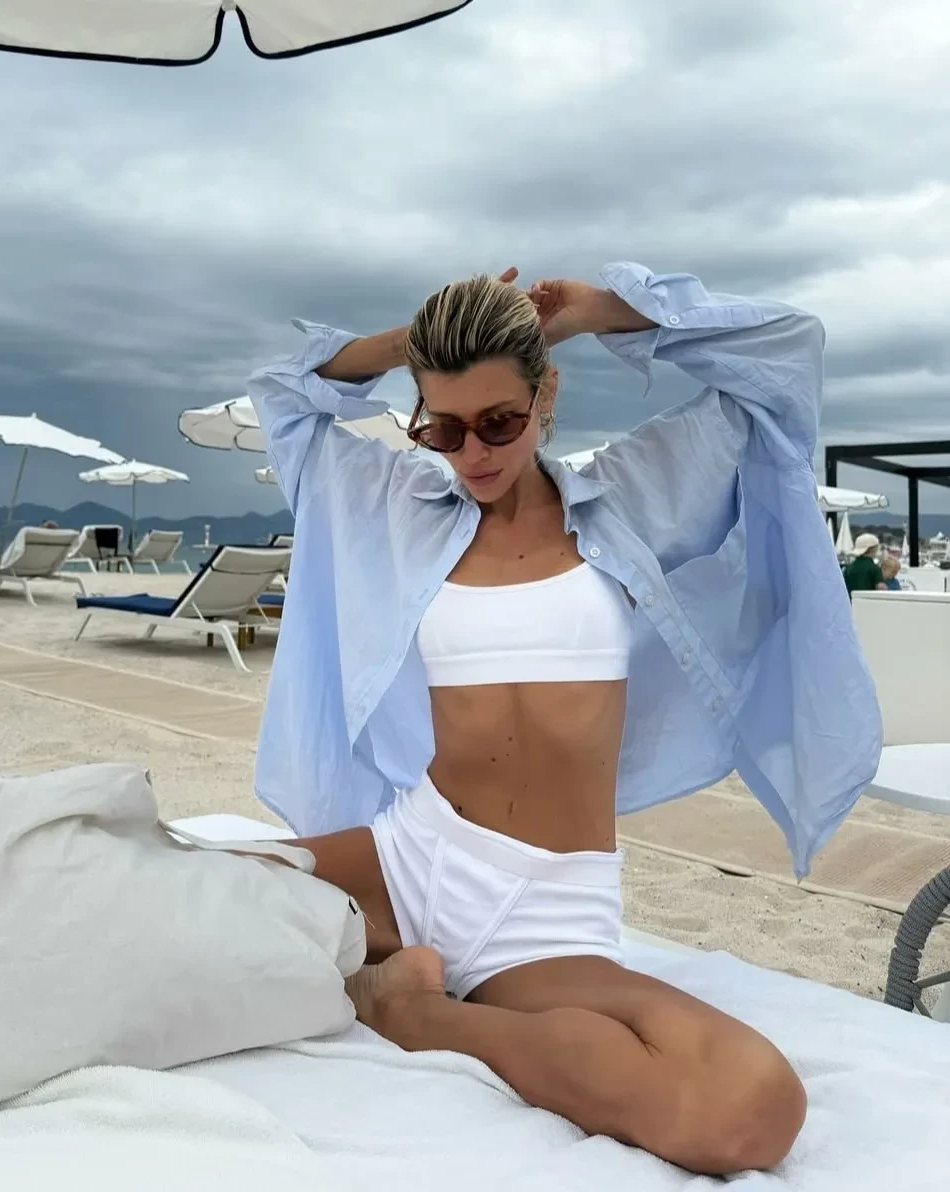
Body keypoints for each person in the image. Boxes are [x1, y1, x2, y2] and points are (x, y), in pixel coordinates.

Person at [247, 263, 880, 1175]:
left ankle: (412, 1013)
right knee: (150, 884)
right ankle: (397, 975)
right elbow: (281, 393)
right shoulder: (399, 505)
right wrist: (412, 345)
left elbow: (784, 354)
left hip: (542, 913)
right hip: (408, 855)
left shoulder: (632, 496)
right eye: (443, 428)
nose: (472, 453)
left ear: (546, 395)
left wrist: (596, 313)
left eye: (499, 421)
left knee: (752, 1109)